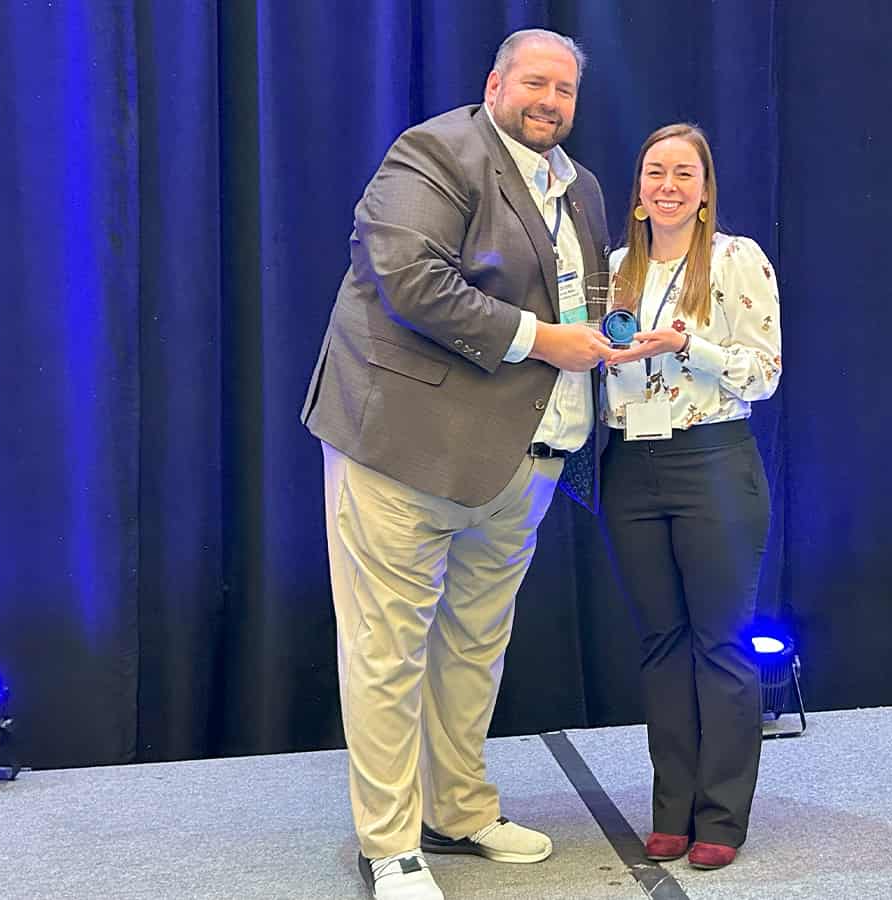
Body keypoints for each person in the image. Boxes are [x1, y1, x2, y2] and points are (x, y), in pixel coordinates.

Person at [300, 28, 613, 900]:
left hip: (523, 459)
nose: (550, 102)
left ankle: (460, 809)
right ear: (495, 83)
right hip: (403, 445)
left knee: (476, 645)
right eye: (535, 84)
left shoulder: (581, 186)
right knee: (386, 650)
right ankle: (391, 845)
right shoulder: (437, 149)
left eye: (566, 91)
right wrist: (544, 338)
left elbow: (587, 306)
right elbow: (407, 276)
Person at [602, 123, 782, 870]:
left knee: (721, 645)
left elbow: (764, 374)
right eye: (654, 172)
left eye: (684, 173)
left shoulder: (737, 260)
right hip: (631, 466)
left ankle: (722, 815)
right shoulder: (614, 269)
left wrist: (687, 346)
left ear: (705, 191)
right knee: (662, 645)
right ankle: (670, 807)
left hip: (713, 462)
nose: (667, 185)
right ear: (638, 189)